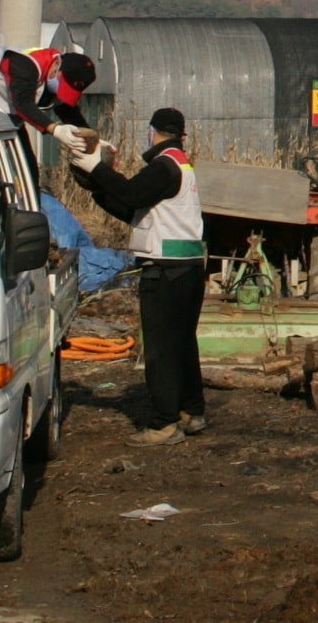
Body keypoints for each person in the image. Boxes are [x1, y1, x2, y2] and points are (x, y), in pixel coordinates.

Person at [70, 107, 207, 447]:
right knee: (182, 344)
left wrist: (95, 168)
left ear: (151, 132)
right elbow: (133, 210)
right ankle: (191, 411)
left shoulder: (164, 167)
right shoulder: (181, 165)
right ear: (181, 133)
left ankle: (164, 424)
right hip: (187, 267)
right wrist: (98, 187)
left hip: (165, 270)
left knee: (160, 349)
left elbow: (130, 194)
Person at [0, 46, 96, 183]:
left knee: (28, 169)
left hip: (5, 114)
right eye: (63, 85)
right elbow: (22, 104)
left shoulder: (52, 70)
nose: (58, 91)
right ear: (57, 64)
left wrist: (93, 140)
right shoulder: (22, 64)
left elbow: (65, 109)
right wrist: (55, 129)